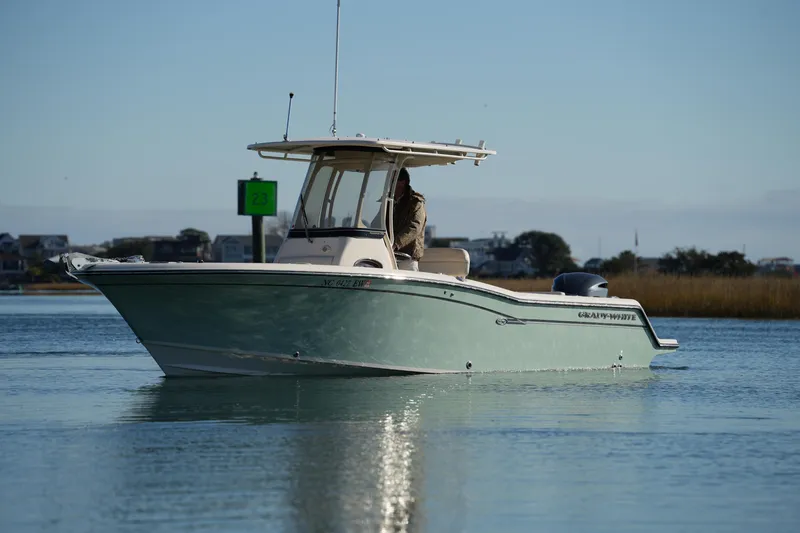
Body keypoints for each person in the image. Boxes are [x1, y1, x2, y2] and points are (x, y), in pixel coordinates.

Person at [391, 167, 427, 270]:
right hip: (389, 254)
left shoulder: (415, 203)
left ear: (402, 183)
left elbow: (414, 227)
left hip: (408, 257)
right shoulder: (389, 202)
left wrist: (395, 244)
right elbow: (377, 222)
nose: (389, 184)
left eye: (392, 180)